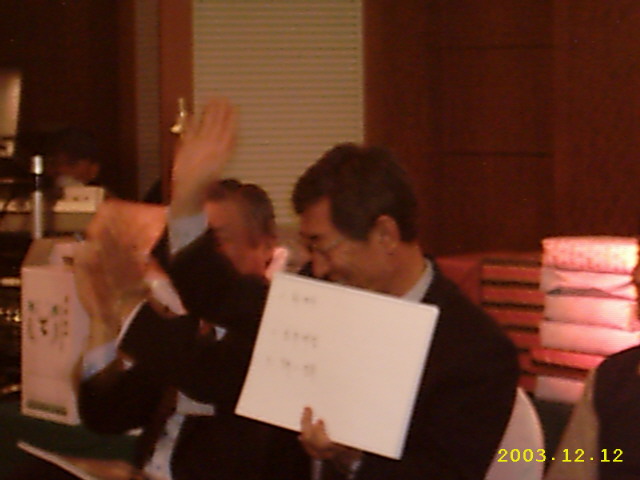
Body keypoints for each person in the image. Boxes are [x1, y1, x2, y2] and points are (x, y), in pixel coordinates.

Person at [163, 115, 521, 477]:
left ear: (385, 235)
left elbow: (442, 474)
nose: (317, 268)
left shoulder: (476, 352)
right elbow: (226, 298)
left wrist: (351, 457)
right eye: (309, 248)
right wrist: (187, 202)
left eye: (323, 247)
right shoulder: (322, 293)